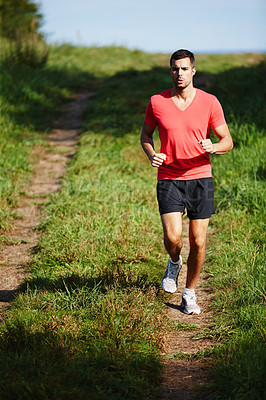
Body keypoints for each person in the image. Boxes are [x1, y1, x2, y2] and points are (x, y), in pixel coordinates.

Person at [140, 49, 233, 315]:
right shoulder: (156, 102)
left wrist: (213, 147)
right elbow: (146, 135)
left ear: (193, 71)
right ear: (170, 71)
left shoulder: (209, 102)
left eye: (183, 69)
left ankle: (189, 293)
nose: (178, 73)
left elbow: (228, 141)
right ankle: (174, 262)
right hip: (169, 177)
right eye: (174, 69)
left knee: (199, 241)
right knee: (172, 238)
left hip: (200, 178)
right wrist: (151, 153)